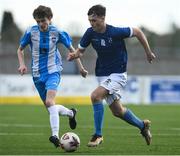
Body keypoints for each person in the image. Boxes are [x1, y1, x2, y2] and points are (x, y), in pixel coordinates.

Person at [67, 4, 156, 147]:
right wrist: (74, 55)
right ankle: (142, 126)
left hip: (118, 74)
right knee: (118, 111)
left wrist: (148, 52)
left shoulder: (115, 32)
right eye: (90, 20)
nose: (92, 23)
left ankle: (98, 135)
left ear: (103, 18)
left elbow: (138, 32)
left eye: (94, 20)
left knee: (95, 96)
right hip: (102, 75)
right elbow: (81, 51)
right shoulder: (90, 33)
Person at [17, 5, 88, 148]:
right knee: (50, 107)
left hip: (53, 71)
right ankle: (70, 113)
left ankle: (55, 135)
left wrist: (81, 68)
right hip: (37, 74)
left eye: (43, 21)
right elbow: (20, 49)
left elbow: (73, 50)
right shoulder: (31, 32)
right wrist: (22, 64)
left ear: (50, 18)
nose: (41, 24)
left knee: (50, 102)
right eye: (38, 21)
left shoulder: (58, 32)